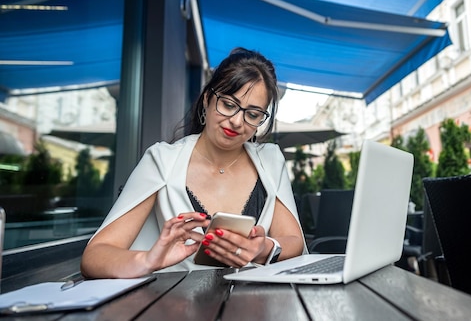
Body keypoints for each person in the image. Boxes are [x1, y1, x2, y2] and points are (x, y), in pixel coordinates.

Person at [81, 48, 306, 278]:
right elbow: (95, 256)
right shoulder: (162, 160)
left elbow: (294, 241)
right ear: (207, 99)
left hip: (256, 304)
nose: (237, 121)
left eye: (253, 114)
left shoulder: (270, 160)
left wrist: (264, 248)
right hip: (177, 305)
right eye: (228, 105)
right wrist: (148, 259)